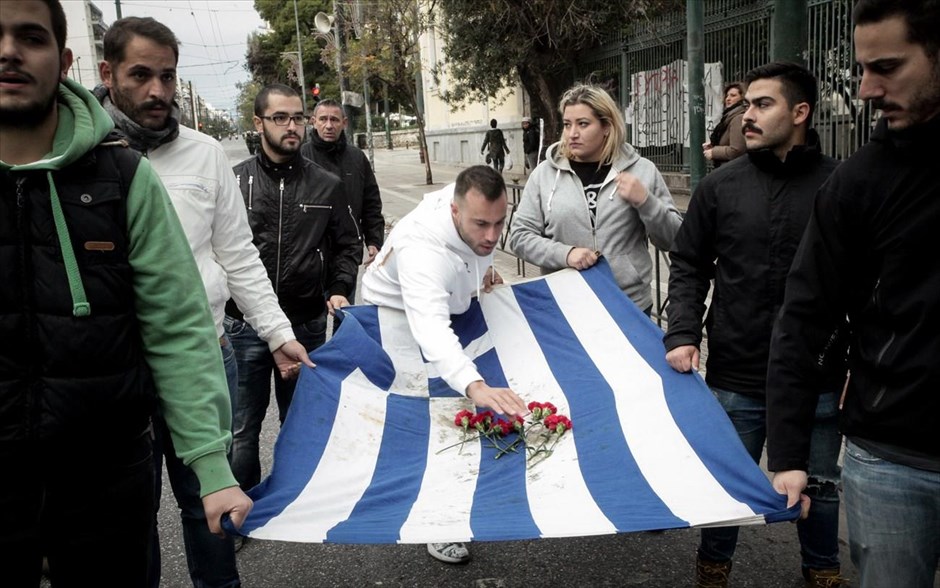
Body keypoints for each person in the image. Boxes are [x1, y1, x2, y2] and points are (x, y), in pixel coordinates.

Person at [0, 1, 252, 585]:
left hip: (104, 476)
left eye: (30, 37)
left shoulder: (124, 177)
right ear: (107, 73)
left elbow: (178, 322)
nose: (9, 51)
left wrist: (211, 465)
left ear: (63, 61)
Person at [95, 16, 313, 587]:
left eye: (167, 76)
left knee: (210, 505)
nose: (159, 91)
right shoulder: (85, 158)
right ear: (106, 74)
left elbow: (238, 256)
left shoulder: (203, 155)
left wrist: (276, 332)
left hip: (203, 356)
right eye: (141, 75)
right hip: (117, 368)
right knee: (128, 515)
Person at [766, 2, 940, 586]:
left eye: (887, 66)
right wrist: (788, 453)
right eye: (863, 68)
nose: (866, 88)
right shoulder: (858, 182)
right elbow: (805, 314)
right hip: (888, 459)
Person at [663, 62, 847, 588]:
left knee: (821, 486)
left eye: (763, 104)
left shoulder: (838, 187)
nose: (748, 114)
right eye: (747, 104)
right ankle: (713, 570)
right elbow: (690, 263)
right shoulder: (719, 187)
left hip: (818, 373)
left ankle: (823, 572)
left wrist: (862, 359)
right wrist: (682, 333)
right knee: (730, 484)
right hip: (736, 372)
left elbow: (866, 283)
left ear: (801, 112)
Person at [361, 165, 528, 566]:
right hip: (395, 318)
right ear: (455, 212)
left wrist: (480, 270)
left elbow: (465, 255)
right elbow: (431, 327)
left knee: (459, 413)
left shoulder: (467, 204)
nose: (492, 236)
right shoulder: (422, 248)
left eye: (499, 223)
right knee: (427, 422)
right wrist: (475, 385)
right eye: (480, 225)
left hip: (450, 308)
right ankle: (437, 524)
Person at [227, 83, 362, 492]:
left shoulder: (326, 184)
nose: (292, 126)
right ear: (259, 123)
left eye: (298, 117)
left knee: (301, 419)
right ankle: (243, 508)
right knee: (242, 428)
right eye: (280, 117)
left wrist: (339, 286)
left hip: (304, 322)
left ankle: (296, 500)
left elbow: (347, 244)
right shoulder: (234, 183)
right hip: (244, 325)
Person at [508, 83, 681, 315]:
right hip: (565, 304)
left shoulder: (642, 171)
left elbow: (674, 239)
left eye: (583, 124)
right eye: (568, 124)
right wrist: (566, 254)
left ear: (607, 126)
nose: (572, 134)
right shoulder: (545, 174)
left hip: (628, 304)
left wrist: (646, 202)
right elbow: (519, 236)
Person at [300, 97, 385, 321]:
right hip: (310, 257)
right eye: (324, 119)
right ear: (313, 121)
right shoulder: (300, 158)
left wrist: (374, 241)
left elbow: (371, 203)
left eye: (335, 120)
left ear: (344, 123)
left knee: (345, 318)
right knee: (312, 324)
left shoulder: (356, 159)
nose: (329, 125)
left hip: (345, 255)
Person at [703, 82, 746, 168]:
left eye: (733, 95)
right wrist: (714, 144)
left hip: (734, 170)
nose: (728, 99)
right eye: (727, 95)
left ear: (743, 97)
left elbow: (737, 150)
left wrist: (714, 152)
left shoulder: (738, 118)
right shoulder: (729, 116)